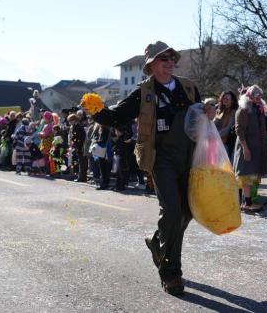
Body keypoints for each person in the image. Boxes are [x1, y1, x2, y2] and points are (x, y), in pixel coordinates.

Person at [89, 41, 214, 295]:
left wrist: (209, 112)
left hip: (188, 158)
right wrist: (95, 109)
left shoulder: (189, 88)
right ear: (151, 65)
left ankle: (158, 242)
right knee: (172, 210)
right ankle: (171, 273)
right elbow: (116, 118)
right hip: (161, 160)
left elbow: (200, 119)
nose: (168, 62)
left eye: (171, 58)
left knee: (187, 212)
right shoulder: (143, 93)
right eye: (162, 59)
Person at [233, 85, 267, 212]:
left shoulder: (258, 109)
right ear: (249, 96)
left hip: (257, 147)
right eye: (256, 94)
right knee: (245, 176)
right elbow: (239, 131)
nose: (258, 97)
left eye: (259, 94)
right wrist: (245, 148)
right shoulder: (243, 110)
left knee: (252, 176)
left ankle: (246, 201)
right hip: (247, 146)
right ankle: (247, 203)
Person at [214, 91, 238, 162]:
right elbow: (215, 124)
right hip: (217, 142)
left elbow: (228, 128)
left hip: (228, 143)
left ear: (232, 101)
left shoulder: (234, 112)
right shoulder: (219, 110)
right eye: (224, 98)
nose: (225, 100)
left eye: (227, 99)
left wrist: (215, 135)